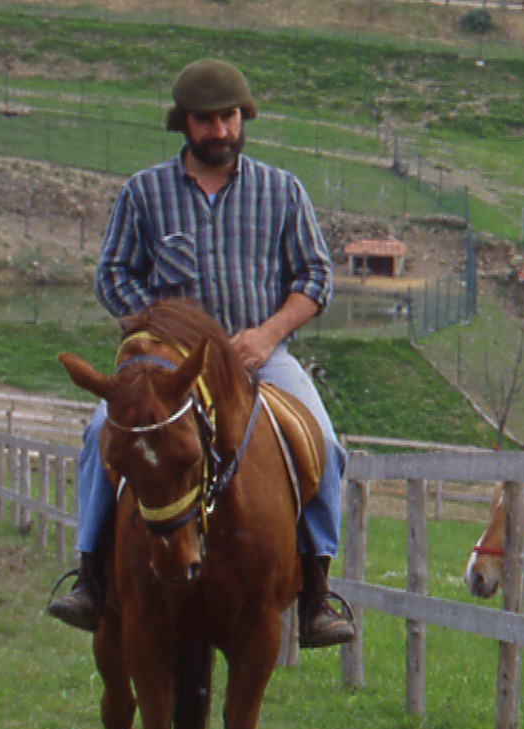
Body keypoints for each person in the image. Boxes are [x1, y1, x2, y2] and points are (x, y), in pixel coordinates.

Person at [47, 58, 354, 649]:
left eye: (229, 118)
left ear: (244, 120)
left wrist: (267, 335)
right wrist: (163, 336)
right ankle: (90, 576)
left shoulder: (282, 191)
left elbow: (316, 277)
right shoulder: (143, 193)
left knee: (328, 442)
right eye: (206, 120)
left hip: (259, 356)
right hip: (165, 370)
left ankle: (317, 591)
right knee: (96, 436)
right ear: (183, 123)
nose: (220, 131)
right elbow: (112, 276)